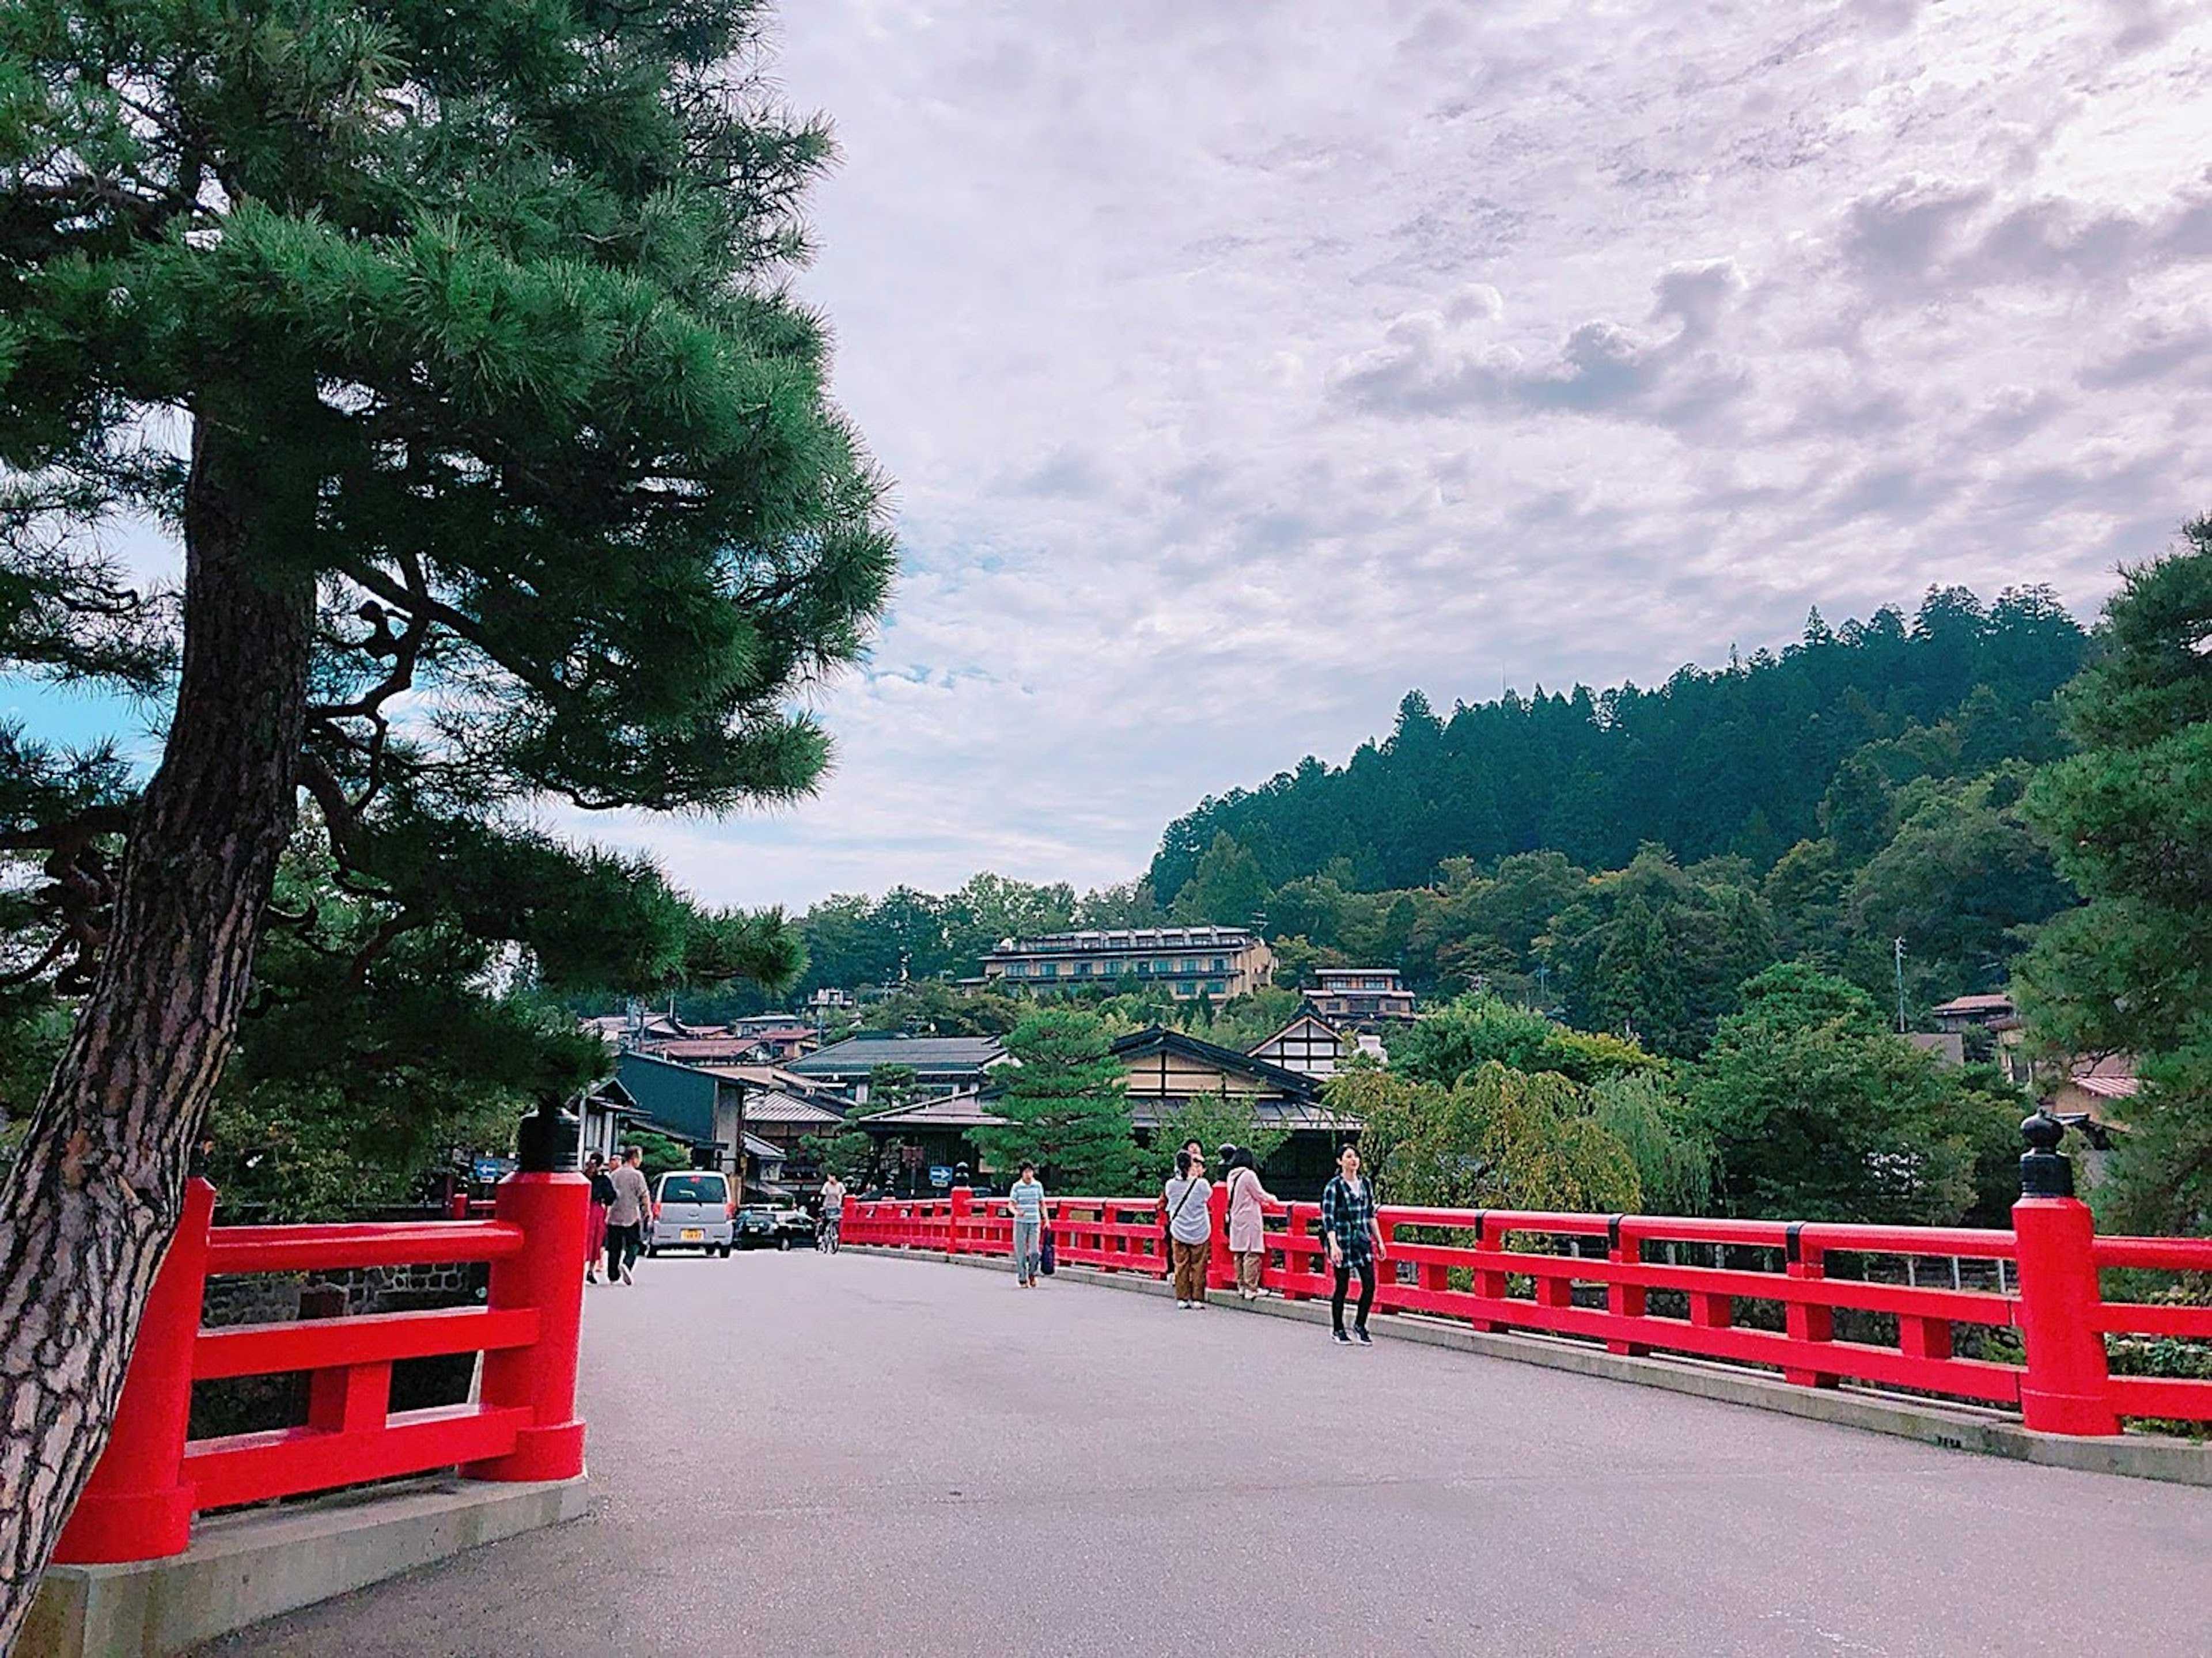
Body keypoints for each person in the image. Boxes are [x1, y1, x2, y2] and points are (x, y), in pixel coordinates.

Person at [1320, 1143, 1386, 1345]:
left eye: (1356, 1156)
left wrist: (1380, 1241)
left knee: (1370, 1284)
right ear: (1340, 1162)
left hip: (1362, 1239)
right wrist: (1333, 1245)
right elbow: (1328, 1217)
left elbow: (1370, 1214)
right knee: (1342, 1285)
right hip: (1342, 1239)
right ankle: (1338, 1328)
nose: (1353, 1160)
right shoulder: (1334, 1186)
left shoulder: (1365, 1184)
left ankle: (1360, 1324)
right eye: (1348, 1157)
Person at [1224, 1146, 1277, 1301]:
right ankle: (1251, 1288)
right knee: (1251, 1252)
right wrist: (1272, 1199)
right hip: (1249, 1218)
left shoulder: (1231, 1176)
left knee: (1239, 1253)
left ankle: (1241, 1285)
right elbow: (1259, 1194)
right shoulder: (1248, 1175)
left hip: (1236, 1217)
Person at [1162, 1147, 1213, 1309]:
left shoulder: (1170, 1185)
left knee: (1181, 1264)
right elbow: (1208, 1197)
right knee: (1199, 1265)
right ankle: (1198, 1298)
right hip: (1200, 1228)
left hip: (1179, 1228)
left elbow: (1169, 1200)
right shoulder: (1202, 1184)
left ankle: (1182, 1298)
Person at [604, 1145, 652, 1285]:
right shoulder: (637, 1176)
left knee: (614, 1247)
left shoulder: (614, 1175)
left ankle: (613, 1274)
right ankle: (627, 1263)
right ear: (634, 1158)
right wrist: (647, 1212)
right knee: (634, 1244)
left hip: (614, 1215)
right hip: (631, 1215)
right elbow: (644, 1195)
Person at [1008, 1162, 1047, 1287]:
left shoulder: (1038, 1186)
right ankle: (1022, 1278)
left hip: (1035, 1221)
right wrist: (1016, 1212)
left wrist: (1046, 1218)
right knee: (1021, 1252)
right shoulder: (1017, 1187)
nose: (1029, 1174)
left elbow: (1042, 1203)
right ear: (1022, 1173)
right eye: (1026, 1172)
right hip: (1020, 1222)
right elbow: (1011, 1204)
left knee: (1035, 1251)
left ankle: (1032, 1273)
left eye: (1030, 1171)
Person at [582, 1151, 614, 1284]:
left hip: (583, 1208)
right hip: (596, 1209)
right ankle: (590, 1270)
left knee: (583, 1238)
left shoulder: (583, 1175)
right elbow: (610, 1197)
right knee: (596, 1240)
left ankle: (580, 1268)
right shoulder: (603, 1179)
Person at [819, 1173, 848, 1254]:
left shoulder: (840, 1186)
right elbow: (823, 1194)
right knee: (826, 1221)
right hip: (828, 1205)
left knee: (837, 1221)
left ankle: (836, 1236)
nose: (829, 1179)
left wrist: (842, 1204)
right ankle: (822, 1237)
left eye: (830, 1177)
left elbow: (843, 1194)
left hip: (837, 1206)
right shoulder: (827, 1185)